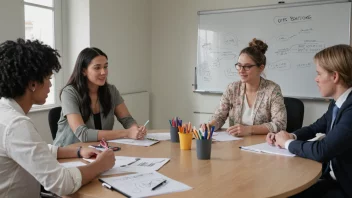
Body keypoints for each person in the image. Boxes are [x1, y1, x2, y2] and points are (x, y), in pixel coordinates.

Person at [0, 38, 115, 198]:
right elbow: (62, 184)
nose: (50, 85)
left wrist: (78, 151)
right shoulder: (16, 125)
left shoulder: (5, 113)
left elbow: (36, 149)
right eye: (49, 78)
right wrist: (100, 165)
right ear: (33, 84)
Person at [268, 44, 352, 198]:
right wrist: (289, 136)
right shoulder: (338, 102)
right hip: (331, 177)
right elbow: (316, 127)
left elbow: (322, 150)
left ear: (335, 76)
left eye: (319, 74)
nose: (316, 79)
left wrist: (287, 143)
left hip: (345, 187)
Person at [53, 47, 147, 146]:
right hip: (68, 154)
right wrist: (127, 133)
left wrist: (135, 129)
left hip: (98, 150)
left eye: (105, 67)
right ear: (83, 71)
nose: (103, 72)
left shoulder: (111, 91)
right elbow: (83, 134)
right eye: (97, 68)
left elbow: (127, 119)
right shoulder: (69, 93)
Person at [209, 38, 287, 136]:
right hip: (235, 144)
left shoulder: (272, 90)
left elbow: (280, 124)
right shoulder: (232, 89)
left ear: (261, 68)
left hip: (261, 146)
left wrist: (249, 129)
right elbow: (219, 116)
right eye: (239, 65)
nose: (241, 70)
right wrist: (209, 126)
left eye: (247, 66)